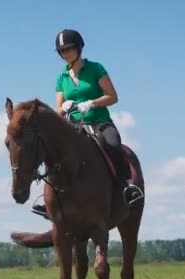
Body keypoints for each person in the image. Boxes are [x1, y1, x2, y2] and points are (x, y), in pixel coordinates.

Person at [32, 28, 144, 218]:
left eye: (69, 49)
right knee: (53, 150)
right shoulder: (62, 77)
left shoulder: (96, 69)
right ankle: (51, 197)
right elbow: (58, 107)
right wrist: (65, 106)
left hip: (99, 121)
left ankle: (127, 187)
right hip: (74, 126)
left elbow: (112, 97)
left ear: (79, 48)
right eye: (62, 51)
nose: (65, 54)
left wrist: (92, 103)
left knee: (113, 142)